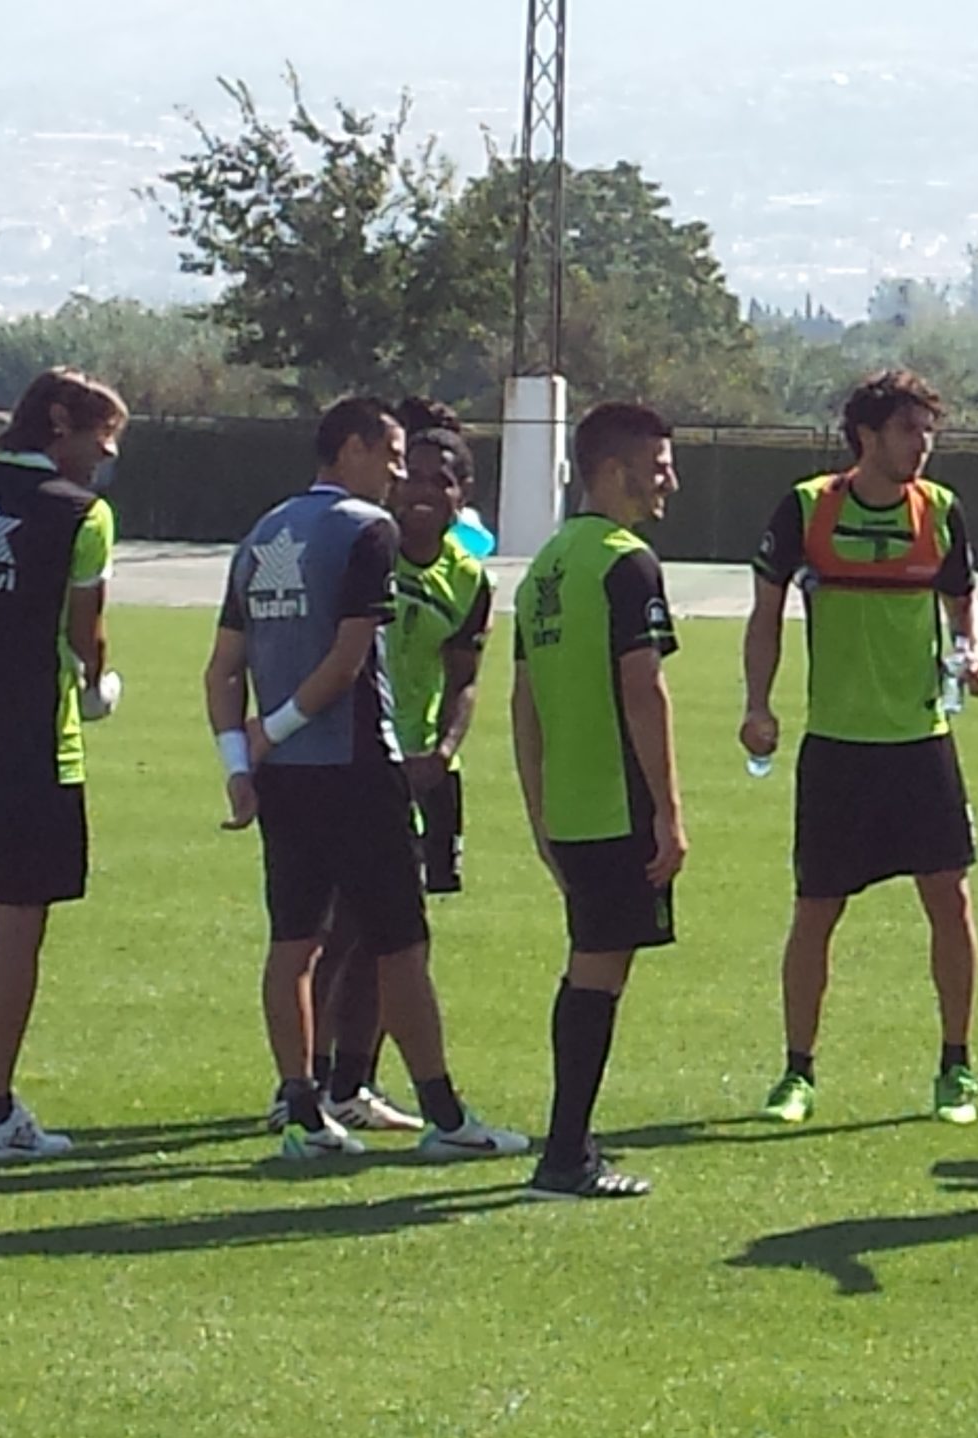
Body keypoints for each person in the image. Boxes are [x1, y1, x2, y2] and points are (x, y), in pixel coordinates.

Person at [205, 395, 528, 1163]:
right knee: (400, 943)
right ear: (349, 448)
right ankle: (447, 1119)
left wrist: (240, 760)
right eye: (389, 455)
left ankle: (304, 1116)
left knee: (294, 942)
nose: (397, 473)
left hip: (283, 779)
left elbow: (223, 666)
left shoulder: (262, 534)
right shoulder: (365, 529)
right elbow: (350, 660)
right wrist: (276, 729)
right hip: (353, 764)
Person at [744, 369, 978, 1128]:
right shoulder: (808, 509)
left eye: (929, 431)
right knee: (815, 911)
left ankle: (956, 1067)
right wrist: (757, 704)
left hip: (921, 743)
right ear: (867, 436)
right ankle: (797, 1073)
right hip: (838, 747)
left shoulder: (940, 512)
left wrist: (976, 653)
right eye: (909, 430)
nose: (923, 445)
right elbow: (766, 613)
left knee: (949, 904)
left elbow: (965, 604)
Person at [0, 368, 124, 1160]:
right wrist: (101, 684)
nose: (105, 458)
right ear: (58, 424)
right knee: (16, 929)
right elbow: (88, 636)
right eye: (100, 439)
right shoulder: (82, 514)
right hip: (35, 747)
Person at [300, 397, 489, 1135]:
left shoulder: (469, 578)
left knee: (398, 938)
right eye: (412, 476)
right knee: (339, 933)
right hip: (348, 765)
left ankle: (353, 1083)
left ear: (461, 495)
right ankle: (308, 1084)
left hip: (420, 777)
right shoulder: (361, 546)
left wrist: (442, 753)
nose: (421, 492)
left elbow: (465, 674)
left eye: (442, 482)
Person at [514, 401, 685, 1200]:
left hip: (572, 807)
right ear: (612, 472)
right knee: (598, 973)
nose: (669, 484)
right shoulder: (627, 563)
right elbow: (644, 692)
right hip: (619, 806)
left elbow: (524, 702)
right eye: (656, 469)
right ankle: (565, 1156)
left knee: (589, 964)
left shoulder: (546, 566)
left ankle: (569, 1138)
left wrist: (538, 808)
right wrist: (670, 812)